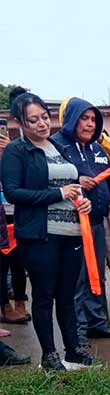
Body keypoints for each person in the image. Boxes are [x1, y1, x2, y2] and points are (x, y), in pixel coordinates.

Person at [1, 90, 98, 372]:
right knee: (44, 295)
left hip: (71, 233)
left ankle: (74, 351)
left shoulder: (58, 146)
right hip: (39, 235)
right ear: (21, 123)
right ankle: (50, 355)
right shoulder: (17, 151)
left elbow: (71, 187)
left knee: (67, 295)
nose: (42, 124)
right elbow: (13, 192)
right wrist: (58, 193)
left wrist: (83, 200)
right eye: (33, 120)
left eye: (44, 117)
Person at [52, 98, 110, 341]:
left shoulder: (97, 150)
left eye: (93, 120)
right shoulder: (56, 146)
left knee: (95, 275)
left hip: (97, 223)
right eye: (84, 118)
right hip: (71, 225)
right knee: (76, 278)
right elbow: (48, 178)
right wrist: (76, 181)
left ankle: (97, 323)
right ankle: (77, 331)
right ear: (71, 119)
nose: (89, 124)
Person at [0, 113, 30, 325]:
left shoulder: (14, 151)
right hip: (0, 220)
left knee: (19, 264)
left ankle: (20, 303)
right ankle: (5, 307)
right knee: (2, 267)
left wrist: (9, 151)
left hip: (16, 215)